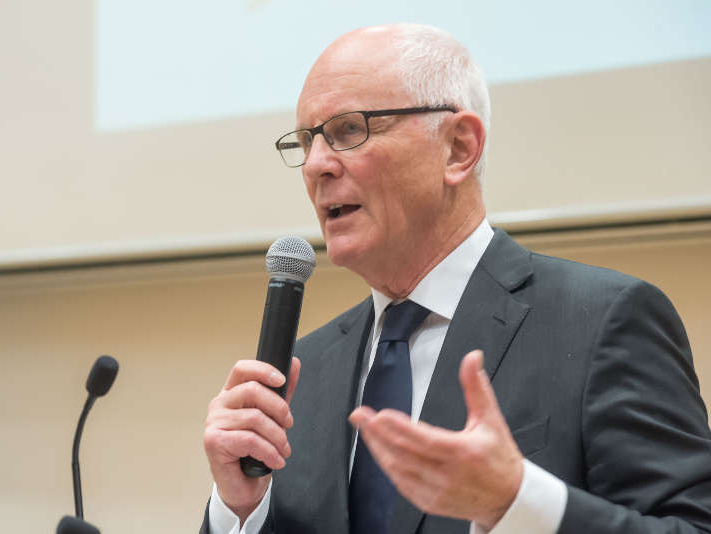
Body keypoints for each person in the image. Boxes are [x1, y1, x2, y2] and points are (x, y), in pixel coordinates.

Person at [201, 23, 711, 534]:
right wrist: (241, 511)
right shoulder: (303, 370)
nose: (315, 165)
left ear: (459, 148)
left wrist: (517, 503)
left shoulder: (602, 321)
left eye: (348, 130)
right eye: (307, 141)